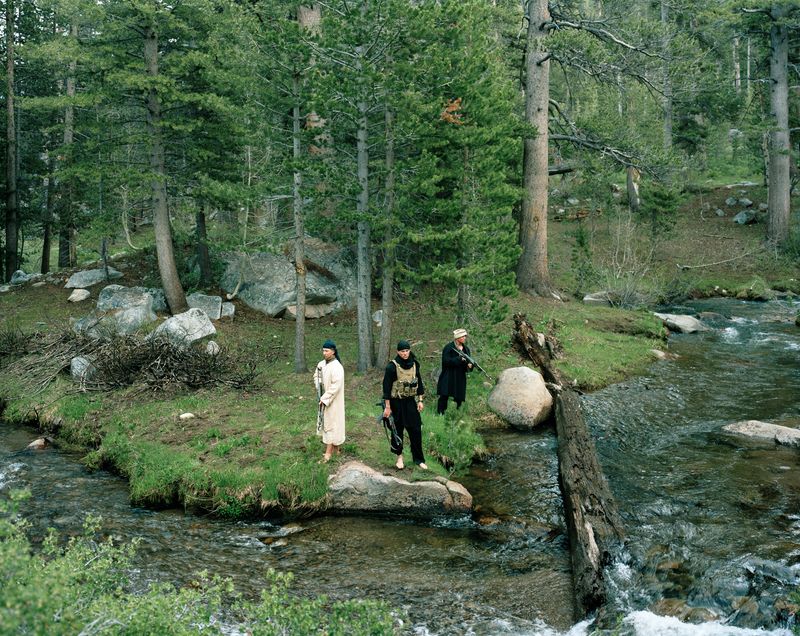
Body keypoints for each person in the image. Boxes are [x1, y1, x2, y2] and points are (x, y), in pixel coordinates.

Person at [382, 340, 427, 470]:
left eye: (407, 351)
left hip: (410, 401)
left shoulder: (414, 364)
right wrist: (388, 407)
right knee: (397, 430)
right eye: (402, 351)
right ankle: (399, 457)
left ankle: (419, 459)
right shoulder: (392, 367)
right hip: (396, 402)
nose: (405, 353)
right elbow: (386, 388)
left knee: (416, 429)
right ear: (398, 352)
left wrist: (420, 400)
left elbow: (419, 382)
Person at [315, 339, 345, 463]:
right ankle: (336, 450)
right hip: (324, 397)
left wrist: (325, 398)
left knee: (332, 425)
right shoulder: (321, 364)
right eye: (323, 351)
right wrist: (319, 389)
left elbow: (336, 386)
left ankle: (328, 453)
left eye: (326, 351)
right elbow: (316, 376)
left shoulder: (337, 367)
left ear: (333, 351)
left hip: (334, 400)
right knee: (327, 423)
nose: (324, 353)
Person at [436, 328, 473, 415]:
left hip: (460, 375)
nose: (464, 338)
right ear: (457, 338)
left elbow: (468, 362)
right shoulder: (448, 348)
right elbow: (446, 361)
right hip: (448, 374)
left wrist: (469, 366)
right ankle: (440, 413)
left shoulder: (466, 349)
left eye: (465, 336)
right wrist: (459, 359)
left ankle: (456, 413)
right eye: (463, 336)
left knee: (459, 395)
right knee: (444, 394)